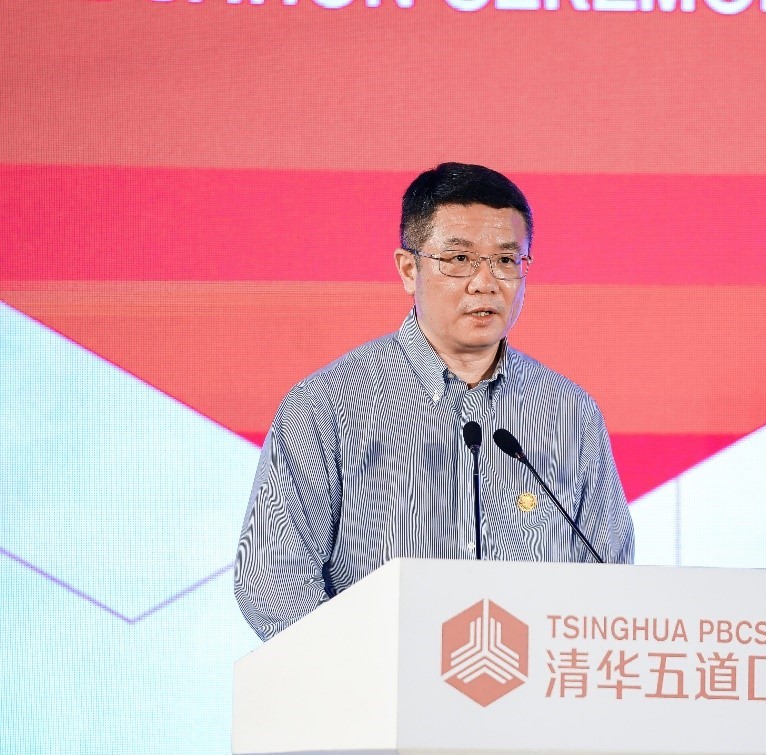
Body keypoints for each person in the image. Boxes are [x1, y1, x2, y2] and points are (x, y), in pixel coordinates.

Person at [234, 163, 634, 640]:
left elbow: (611, 575)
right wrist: (363, 669)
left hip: (533, 682)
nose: (485, 282)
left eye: (506, 260)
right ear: (409, 269)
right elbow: (272, 580)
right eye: (459, 259)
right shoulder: (326, 406)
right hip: (378, 681)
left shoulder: (570, 412)